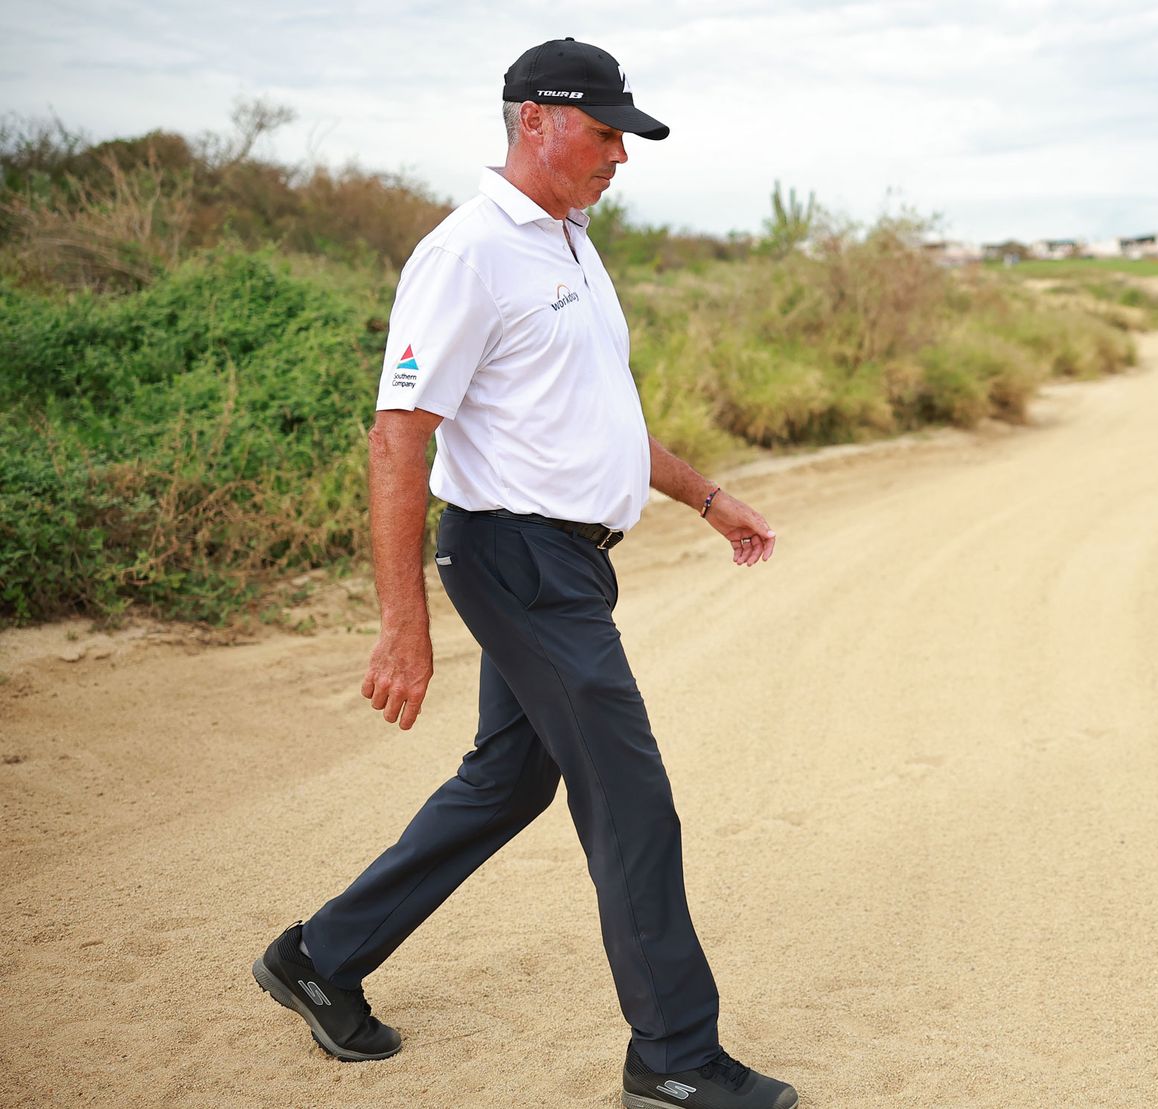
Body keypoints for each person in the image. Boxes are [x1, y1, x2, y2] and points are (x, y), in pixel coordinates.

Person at [249, 38, 799, 1109]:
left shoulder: (571, 246)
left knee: (510, 777)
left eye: (623, 137)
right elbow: (399, 438)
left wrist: (707, 496)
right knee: (630, 793)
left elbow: (599, 422)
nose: (618, 157)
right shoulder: (469, 254)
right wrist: (403, 628)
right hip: (515, 558)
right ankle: (676, 1058)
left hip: (571, 566)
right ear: (535, 119)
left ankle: (319, 956)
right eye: (605, 133)